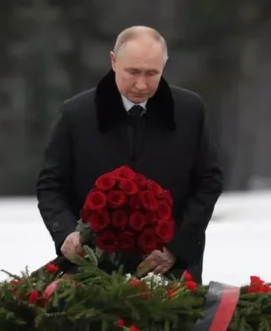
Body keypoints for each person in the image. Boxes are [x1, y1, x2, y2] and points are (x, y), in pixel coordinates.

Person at [36, 26, 224, 283]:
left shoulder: (190, 111)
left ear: (164, 66)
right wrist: (67, 233)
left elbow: (208, 182)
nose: (141, 84)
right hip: (89, 265)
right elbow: (51, 185)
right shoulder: (76, 115)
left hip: (170, 266)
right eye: (133, 72)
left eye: (151, 73)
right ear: (114, 61)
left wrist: (176, 246)